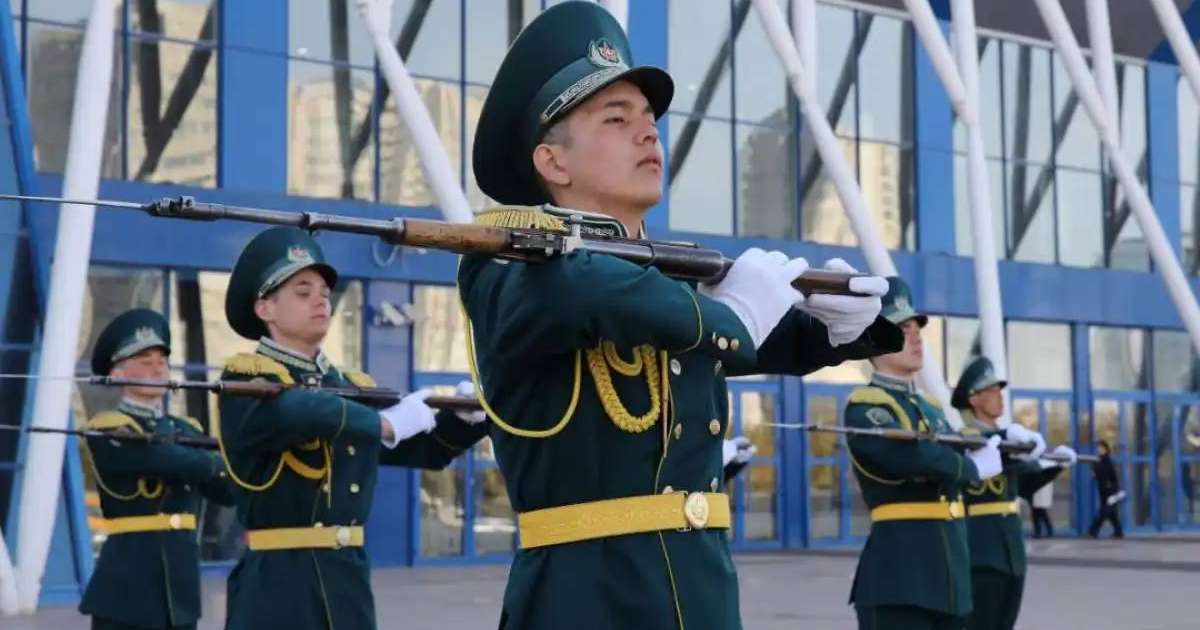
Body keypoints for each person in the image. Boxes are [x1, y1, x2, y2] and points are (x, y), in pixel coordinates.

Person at [460, 3, 902, 628]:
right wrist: (738, 309)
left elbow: (772, 338)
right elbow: (595, 292)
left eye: (649, 119)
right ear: (552, 162)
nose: (649, 133)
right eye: (617, 119)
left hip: (700, 595)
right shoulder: (513, 266)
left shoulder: (663, 277)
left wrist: (846, 325)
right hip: (586, 602)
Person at [216, 226, 488, 629]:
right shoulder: (248, 378)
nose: (320, 301)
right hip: (278, 588)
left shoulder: (348, 386)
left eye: (325, 294)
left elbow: (423, 451)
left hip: (346, 585)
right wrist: (384, 422)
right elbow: (295, 411)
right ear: (265, 309)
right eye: (303, 292)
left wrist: (463, 420)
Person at [843, 277, 1005, 630]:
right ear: (875, 338)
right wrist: (971, 468)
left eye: (917, 327)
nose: (916, 335)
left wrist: (1001, 439)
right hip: (900, 582)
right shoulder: (867, 406)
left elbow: (956, 443)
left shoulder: (931, 409)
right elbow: (912, 456)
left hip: (950, 583)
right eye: (903, 327)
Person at [78, 308, 234, 630]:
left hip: (179, 592)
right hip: (127, 592)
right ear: (118, 374)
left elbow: (228, 490)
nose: (156, 369)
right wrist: (208, 462)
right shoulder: (109, 427)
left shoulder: (185, 427)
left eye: (162, 361)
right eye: (144, 361)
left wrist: (211, 463)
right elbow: (164, 460)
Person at [951, 355, 1074, 630]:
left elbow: (1024, 484)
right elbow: (986, 460)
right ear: (974, 399)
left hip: (1010, 550)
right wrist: (1008, 437)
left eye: (999, 390)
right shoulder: (967, 438)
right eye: (991, 391)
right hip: (981, 550)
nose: (999, 396)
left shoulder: (1006, 440)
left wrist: (1055, 465)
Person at [1088, 440, 1124, 538]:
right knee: (1111, 513)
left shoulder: (1107, 461)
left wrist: (1096, 471)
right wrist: (1094, 473)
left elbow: (1109, 476)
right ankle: (1119, 532)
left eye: (1100, 448)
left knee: (1103, 512)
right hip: (1103, 490)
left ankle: (1092, 531)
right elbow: (1098, 475)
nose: (1098, 450)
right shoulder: (1099, 461)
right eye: (1098, 448)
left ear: (1105, 449)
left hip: (1110, 491)